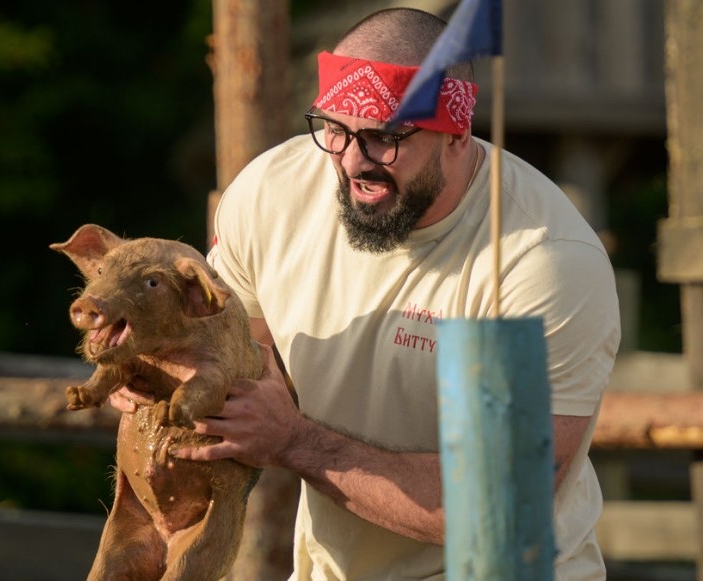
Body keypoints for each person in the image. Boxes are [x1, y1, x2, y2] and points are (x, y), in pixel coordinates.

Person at [114, 7, 620, 580]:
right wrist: (161, 372)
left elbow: (495, 506)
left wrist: (294, 441)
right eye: (334, 128)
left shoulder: (537, 260)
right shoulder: (272, 194)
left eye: (385, 137)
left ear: (455, 132)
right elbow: (243, 359)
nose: (353, 161)